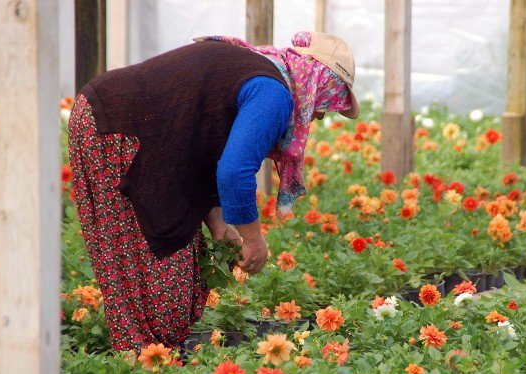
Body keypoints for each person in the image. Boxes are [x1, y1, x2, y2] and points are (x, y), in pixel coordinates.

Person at [68, 31, 359, 352]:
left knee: (144, 267)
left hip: (104, 115)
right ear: (320, 85)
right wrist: (253, 239)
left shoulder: (259, 70)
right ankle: (147, 367)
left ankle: (143, 362)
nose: (318, 115)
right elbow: (234, 172)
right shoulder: (274, 93)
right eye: (327, 105)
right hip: (118, 128)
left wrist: (220, 227)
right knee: (161, 273)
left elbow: (202, 149)